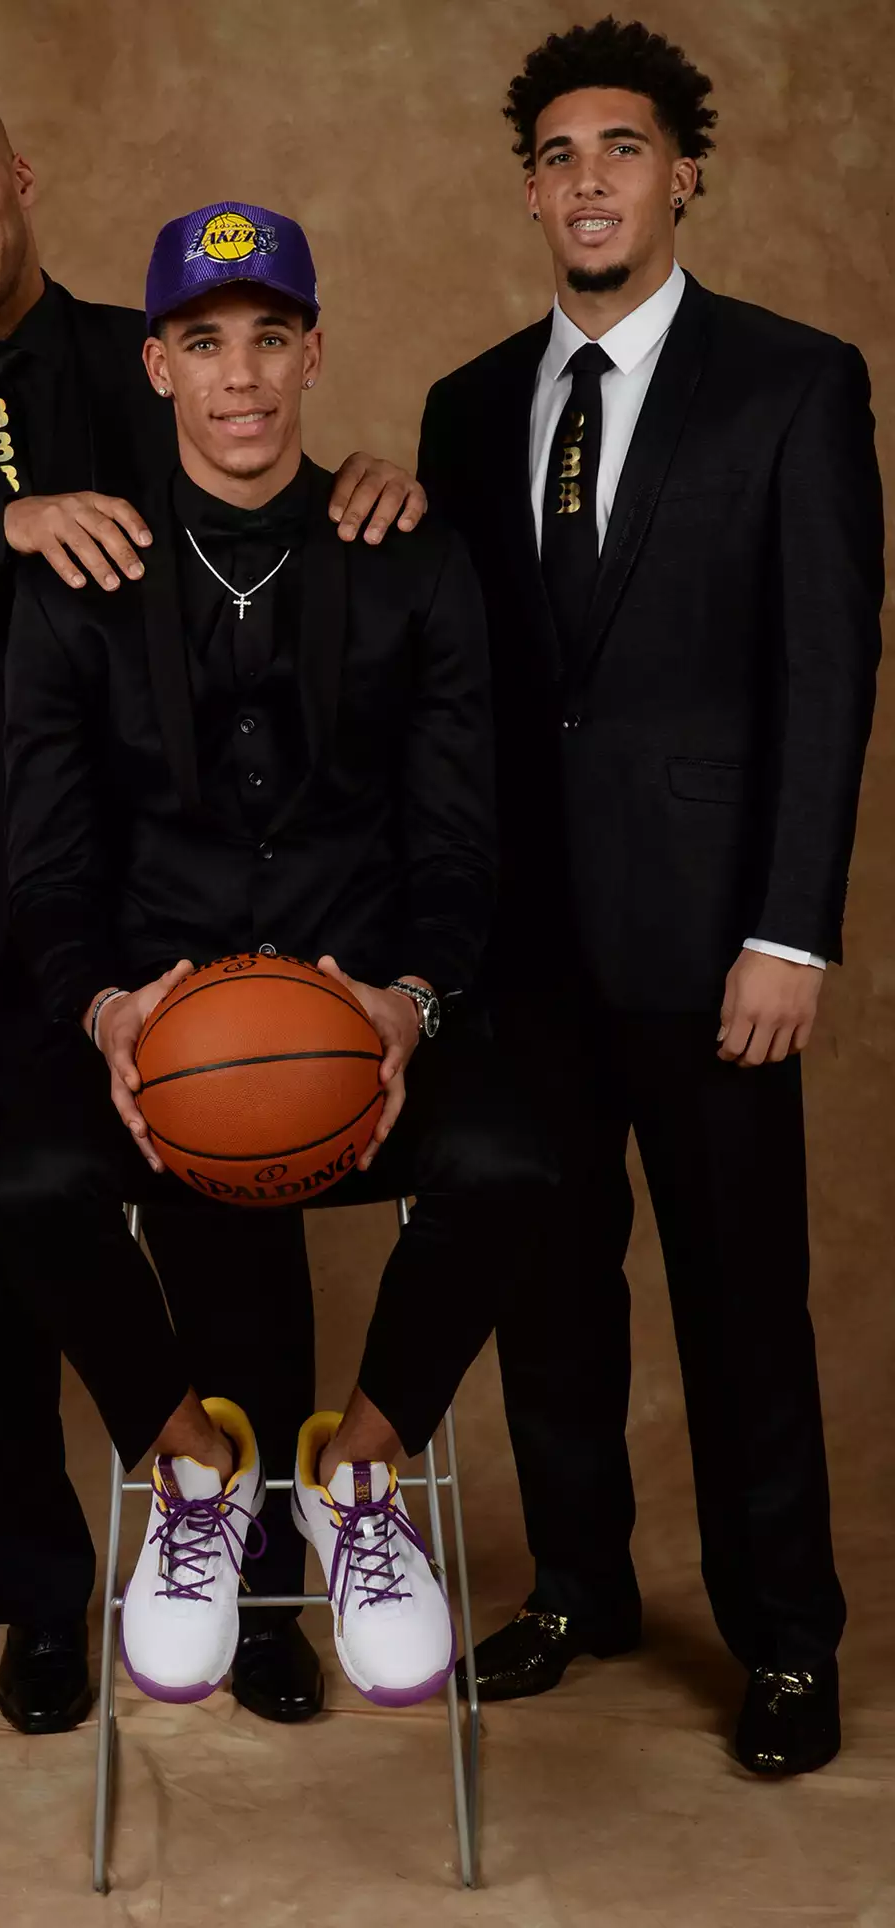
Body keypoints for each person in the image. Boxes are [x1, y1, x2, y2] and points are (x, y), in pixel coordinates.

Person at [0, 89, 432, 1733]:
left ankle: (274, 1596)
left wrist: (367, 483)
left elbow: (260, 503)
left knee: (237, 1223)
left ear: (19, 184)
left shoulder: (153, 354)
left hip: (166, 890)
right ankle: (38, 1599)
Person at [0, 200, 553, 1710]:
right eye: (203, 343)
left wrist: (410, 1006)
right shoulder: (79, 576)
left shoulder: (408, 555)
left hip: (355, 1027)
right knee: (23, 1185)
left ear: (314, 354)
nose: (240, 377)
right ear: (157, 364)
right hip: (167, 1026)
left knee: (519, 1159)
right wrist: (106, 1013)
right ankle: (196, 1470)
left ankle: (351, 1475)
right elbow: (44, 862)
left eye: (269, 340)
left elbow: (457, 842)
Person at [417, 18, 882, 1775]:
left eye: (621, 148)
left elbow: (828, 675)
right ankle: (581, 1585)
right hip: (521, 952)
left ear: (683, 170)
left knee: (742, 1296)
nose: (588, 179)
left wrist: (792, 926)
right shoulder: (467, 408)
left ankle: (786, 1638)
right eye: (555, 154)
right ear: (529, 188)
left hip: (716, 947)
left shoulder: (791, 380)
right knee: (551, 1284)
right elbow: (456, 679)